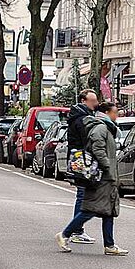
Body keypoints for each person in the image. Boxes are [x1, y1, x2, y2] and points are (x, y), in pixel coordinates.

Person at [57, 101, 128, 255]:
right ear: (107, 113)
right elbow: (97, 148)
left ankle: (109, 245)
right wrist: (107, 166)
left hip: (107, 176)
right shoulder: (101, 128)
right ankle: (65, 234)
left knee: (108, 211)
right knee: (91, 209)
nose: (117, 115)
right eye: (115, 112)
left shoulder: (106, 128)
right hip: (102, 177)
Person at [61, 90, 100, 244]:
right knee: (83, 195)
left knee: (82, 194)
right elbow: (87, 139)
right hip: (82, 160)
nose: (95, 104)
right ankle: (76, 230)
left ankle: (77, 229)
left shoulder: (78, 117)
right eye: (92, 100)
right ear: (84, 101)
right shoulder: (82, 119)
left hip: (79, 158)